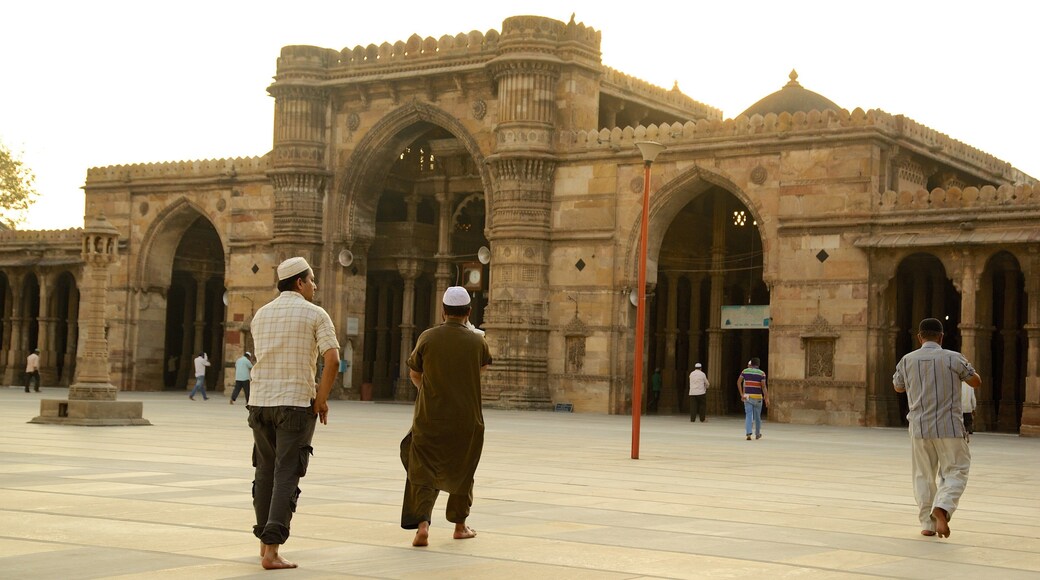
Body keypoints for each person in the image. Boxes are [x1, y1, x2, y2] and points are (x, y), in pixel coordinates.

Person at [247, 256, 340, 569]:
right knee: (287, 471)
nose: (314, 286)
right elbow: (333, 358)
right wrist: (322, 398)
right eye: (312, 280)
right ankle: (273, 549)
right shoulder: (315, 313)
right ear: (300, 282)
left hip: (259, 402)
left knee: (264, 470)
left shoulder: (261, 314)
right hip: (295, 403)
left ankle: (264, 543)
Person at [401, 286, 492, 548]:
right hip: (466, 419)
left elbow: (414, 373)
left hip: (430, 417)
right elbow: (483, 367)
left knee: (423, 470)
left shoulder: (428, 338)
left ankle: (422, 525)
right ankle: (460, 526)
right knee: (464, 470)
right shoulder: (477, 340)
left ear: (443, 311)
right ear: (468, 311)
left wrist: (429, 391)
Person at [893, 317, 981, 539]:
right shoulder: (953, 358)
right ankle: (942, 507)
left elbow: (898, 387)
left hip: (920, 428)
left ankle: (927, 524)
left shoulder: (907, 360)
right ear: (941, 337)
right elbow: (975, 382)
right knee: (957, 469)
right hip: (949, 427)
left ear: (919, 337)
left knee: (923, 475)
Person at [737, 357, 769, 440]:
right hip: (758, 397)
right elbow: (763, 386)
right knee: (757, 416)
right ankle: (757, 433)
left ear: (751, 364)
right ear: (758, 364)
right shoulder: (762, 373)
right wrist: (766, 398)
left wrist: (741, 394)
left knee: (748, 415)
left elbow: (739, 382)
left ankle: (748, 433)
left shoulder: (745, 371)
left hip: (747, 397)